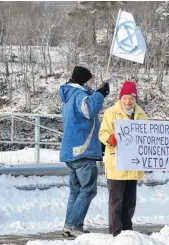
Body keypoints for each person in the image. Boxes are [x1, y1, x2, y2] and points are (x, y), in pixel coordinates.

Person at [59, 66, 110, 237]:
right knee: (88, 189)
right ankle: (73, 225)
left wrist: (96, 94)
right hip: (82, 150)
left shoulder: (68, 96)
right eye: (90, 80)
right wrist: (100, 94)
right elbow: (88, 110)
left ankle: (71, 225)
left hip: (71, 151)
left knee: (76, 190)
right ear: (84, 80)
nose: (92, 83)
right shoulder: (79, 94)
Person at [99, 81, 148, 237]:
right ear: (121, 98)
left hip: (134, 163)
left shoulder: (141, 114)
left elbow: (147, 136)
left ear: (135, 99)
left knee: (129, 201)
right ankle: (116, 233)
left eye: (131, 99)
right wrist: (110, 138)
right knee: (116, 201)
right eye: (125, 98)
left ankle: (128, 232)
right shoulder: (110, 113)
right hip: (117, 163)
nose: (128, 102)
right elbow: (102, 133)